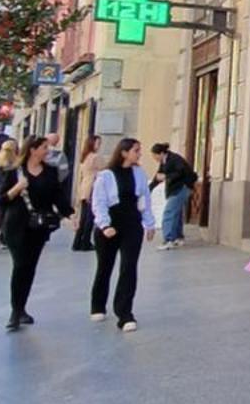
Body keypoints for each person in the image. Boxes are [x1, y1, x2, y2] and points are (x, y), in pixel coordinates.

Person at [90, 136, 156, 331]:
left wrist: (149, 223)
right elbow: (99, 202)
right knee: (105, 266)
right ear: (124, 152)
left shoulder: (139, 173)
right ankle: (98, 304)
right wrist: (104, 225)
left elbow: (144, 199)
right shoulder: (106, 175)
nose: (139, 153)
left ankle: (125, 313)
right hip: (110, 224)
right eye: (136, 150)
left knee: (129, 267)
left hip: (132, 224)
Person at [0, 134, 63, 332]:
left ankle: (21, 308)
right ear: (33, 150)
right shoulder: (14, 172)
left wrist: (70, 214)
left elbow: (58, 196)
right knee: (20, 265)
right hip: (16, 225)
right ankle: (15, 311)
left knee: (30, 267)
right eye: (44, 147)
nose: (48, 150)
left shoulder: (51, 172)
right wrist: (17, 188)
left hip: (38, 226)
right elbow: (1, 201)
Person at [149, 141, 197, 249]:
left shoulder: (174, 159)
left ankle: (168, 239)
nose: (154, 158)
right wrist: (150, 188)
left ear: (161, 153)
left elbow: (180, 172)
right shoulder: (164, 161)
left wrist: (166, 176)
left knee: (169, 212)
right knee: (177, 213)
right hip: (176, 188)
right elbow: (158, 176)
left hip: (182, 187)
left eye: (155, 155)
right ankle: (178, 238)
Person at [72, 133, 101, 251]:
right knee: (90, 217)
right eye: (98, 143)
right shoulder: (95, 157)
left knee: (84, 217)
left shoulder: (85, 157)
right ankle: (86, 242)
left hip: (84, 187)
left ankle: (77, 241)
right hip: (92, 187)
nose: (99, 146)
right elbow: (105, 169)